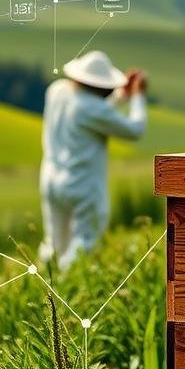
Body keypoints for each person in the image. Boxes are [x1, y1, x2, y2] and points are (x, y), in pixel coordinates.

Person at [38, 50, 147, 270]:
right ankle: (66, 285)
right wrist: (137, 97)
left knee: (54, 241)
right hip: (83, 186)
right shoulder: (91, 108)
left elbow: (91, 111)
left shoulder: (56, 90)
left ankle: (43, 279)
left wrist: (120, 96)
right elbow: (135, 130)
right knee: (83, 243)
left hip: (50, 179)